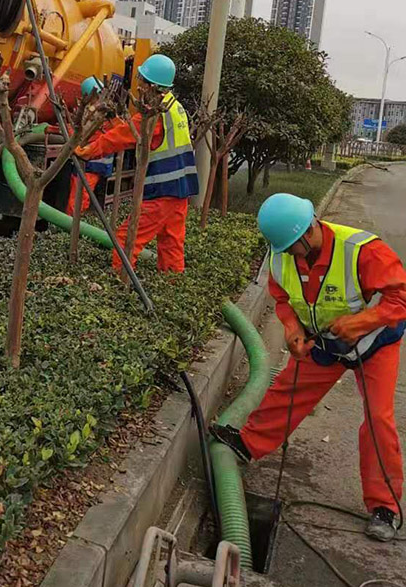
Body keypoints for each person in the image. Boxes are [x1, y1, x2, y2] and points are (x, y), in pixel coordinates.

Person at [212, 193, 406, 543]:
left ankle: (385, 507)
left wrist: (362, 322)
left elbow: (400, 298)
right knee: (289, 389)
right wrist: (291, 328)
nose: (288, 256)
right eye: (282, 250)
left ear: (309, 230)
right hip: (326, 341)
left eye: (292, 248)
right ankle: (248, 445)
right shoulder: (281, 253)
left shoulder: (362, 250)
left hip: (374, 344)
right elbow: (283, 297)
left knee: (379, 418)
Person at [75, 54, 199, 273]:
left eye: (141, 80)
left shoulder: (152, 114)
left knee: (125, 241)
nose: (138, 85)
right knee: (172, 245)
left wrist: (87, 151)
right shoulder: (175, 107)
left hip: (162, 192)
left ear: (152, 85)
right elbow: (131, 131)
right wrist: (115, 120)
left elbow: (121, 137)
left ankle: (120, 288)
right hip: (181, 191)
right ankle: (173, 287)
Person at [65, 76, 116, 216]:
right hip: (94, 163)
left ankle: (70, 226)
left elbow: (78, 133)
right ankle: (72, 224)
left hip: (89, 163)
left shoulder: (98, 114)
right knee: (80, 196)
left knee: (78, 198)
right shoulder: (104, 114)